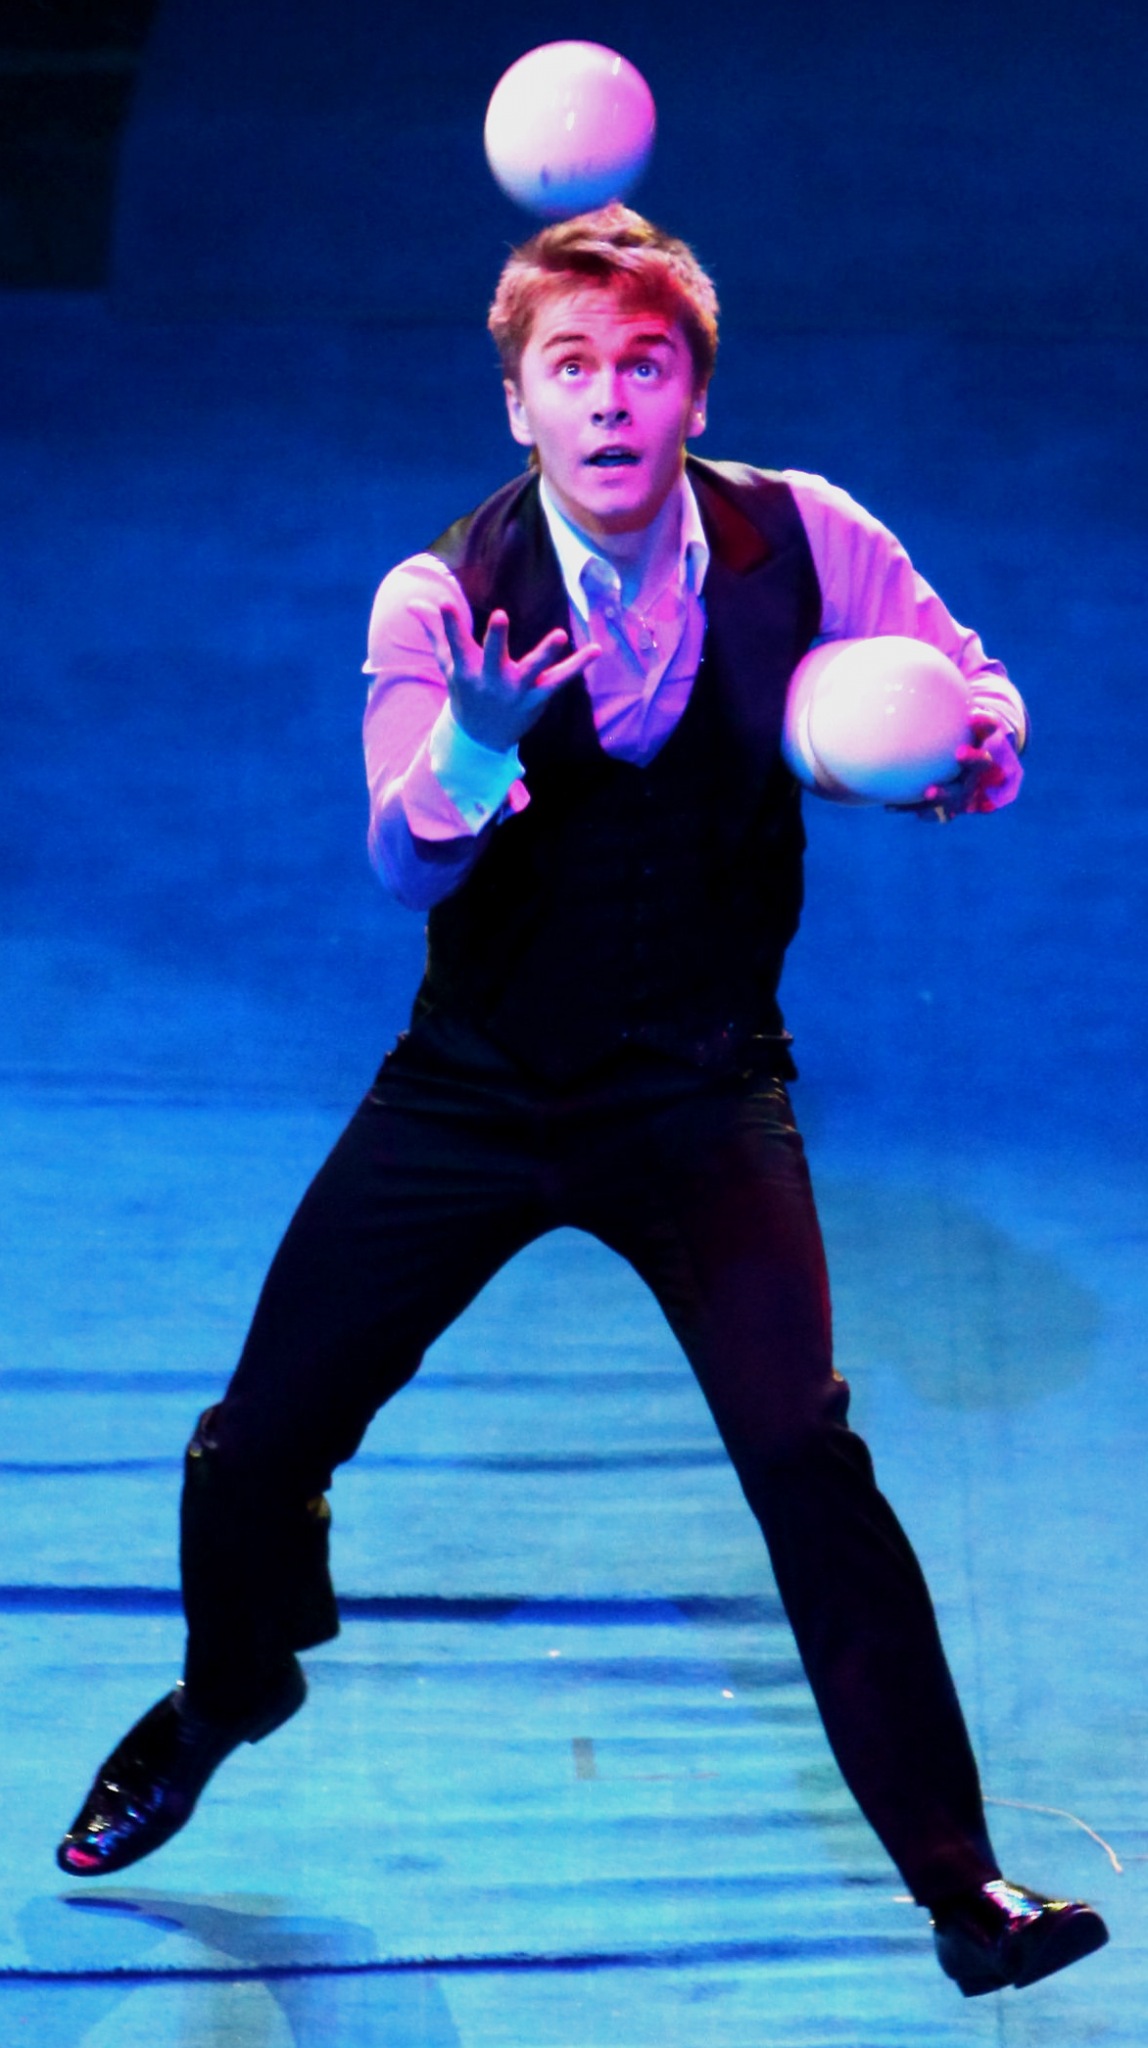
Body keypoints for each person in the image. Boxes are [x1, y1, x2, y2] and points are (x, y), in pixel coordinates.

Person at [58, 205, 1107, 1999]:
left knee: (807, 1455)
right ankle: (232, 1692)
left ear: (695, 389)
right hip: (475, 1089)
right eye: (572, 369)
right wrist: (475, 736)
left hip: (702, 1091)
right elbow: (401, 866)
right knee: (254, 1448)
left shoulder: (808, 535)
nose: (610, 399)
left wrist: (975, 745)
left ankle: (964, 1889)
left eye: (646, 364)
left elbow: (971, 683)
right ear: (518, 405)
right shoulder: (437, 596)